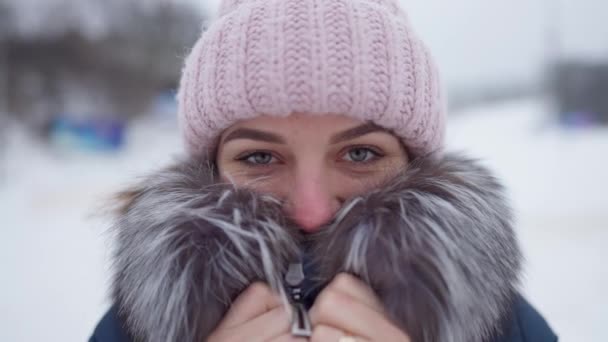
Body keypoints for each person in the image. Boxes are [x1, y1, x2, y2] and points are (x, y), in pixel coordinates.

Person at [90, 0, 557, 341]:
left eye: (359, 154)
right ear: (209, 167)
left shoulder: (506, 327)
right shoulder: (135, 328)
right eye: (258, 158)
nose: (311, 212)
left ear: (415, 162)